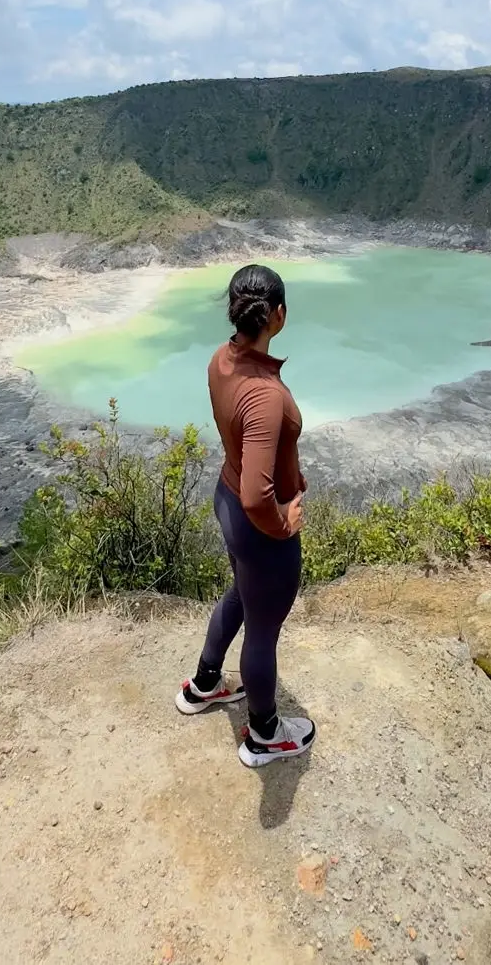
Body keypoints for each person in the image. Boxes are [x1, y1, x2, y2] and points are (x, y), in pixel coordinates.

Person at [175, 262, 316, 767]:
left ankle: (205, 684)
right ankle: (264, 733)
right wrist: (283, 523)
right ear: (277, 315)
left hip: (226, 503)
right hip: (259, 528)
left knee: (240, 593)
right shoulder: (265, 395)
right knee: (263, 629)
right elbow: (260, 495)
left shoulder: (221, 360)